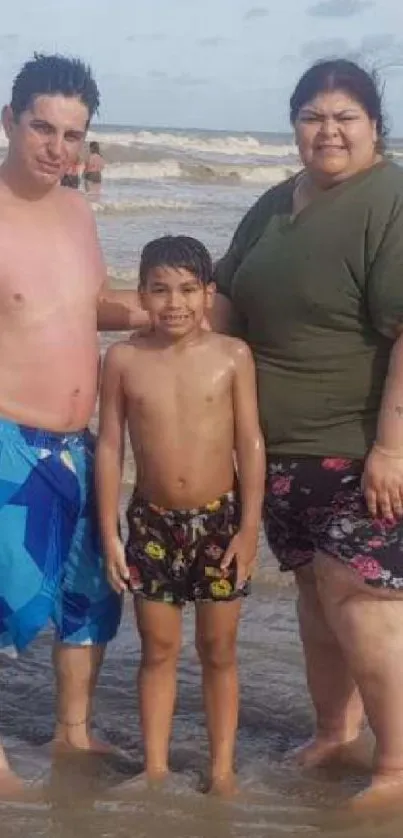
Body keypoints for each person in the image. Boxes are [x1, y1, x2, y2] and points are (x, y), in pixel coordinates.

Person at [211, 58, 403, 810]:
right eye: (311, 115)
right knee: (313, 599)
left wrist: (392, 447)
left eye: (343, 116)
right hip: (279, 450)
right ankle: (333, 733)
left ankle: (394, 766)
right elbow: (223, 302)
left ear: (373, 125)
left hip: (360, 446)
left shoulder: (389, 197)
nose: (326, 130)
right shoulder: (269, 202)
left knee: (361, 598)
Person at [0, 52, 149, 797]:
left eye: (72, 133)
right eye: (42, 128)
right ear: (9, 121)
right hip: (7, 443)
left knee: (87, 600)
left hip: (78, 446)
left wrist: (164, 309)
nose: (57, 147)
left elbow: (89, 303)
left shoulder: (75, 205)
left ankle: (73, 732)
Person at [95, 235, 265, 795]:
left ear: (208, 293)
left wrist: (247, 530)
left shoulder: (232, 355)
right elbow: (110, 448)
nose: (175, 303)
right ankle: (156, 769)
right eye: (160, 290)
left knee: (218, 651)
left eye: (189, 290)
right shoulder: (122, 358)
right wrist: (110, 532)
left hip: (220, 521)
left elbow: (251, 443)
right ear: (141, 294)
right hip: (152, 521)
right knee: (157, 650)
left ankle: (221, 771)